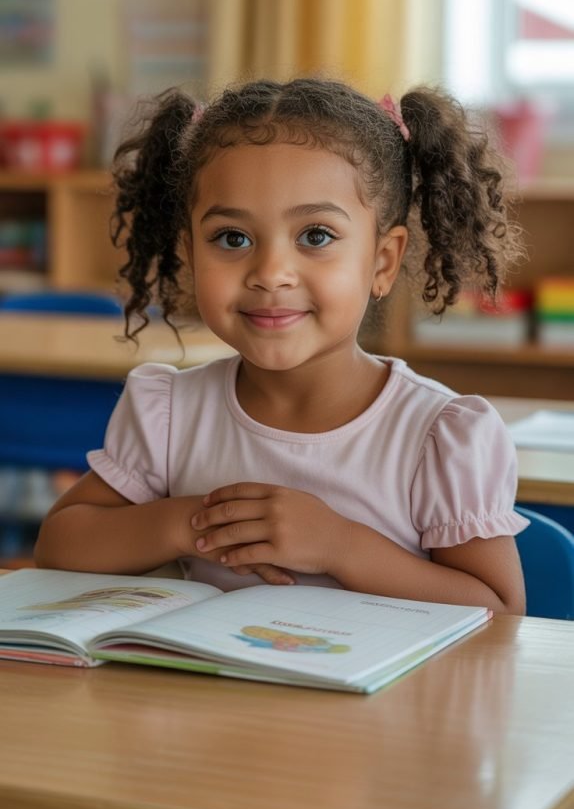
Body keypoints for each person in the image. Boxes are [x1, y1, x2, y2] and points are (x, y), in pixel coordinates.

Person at [35, 78, 528, 612]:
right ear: (192, 253)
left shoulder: (437, 436)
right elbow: (61, 545)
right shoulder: (169, 413)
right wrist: (186, 521)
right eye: (232, 238)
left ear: (382, 261)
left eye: (315, 236)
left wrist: (340, 546)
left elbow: (500, 613)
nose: (271, 273)